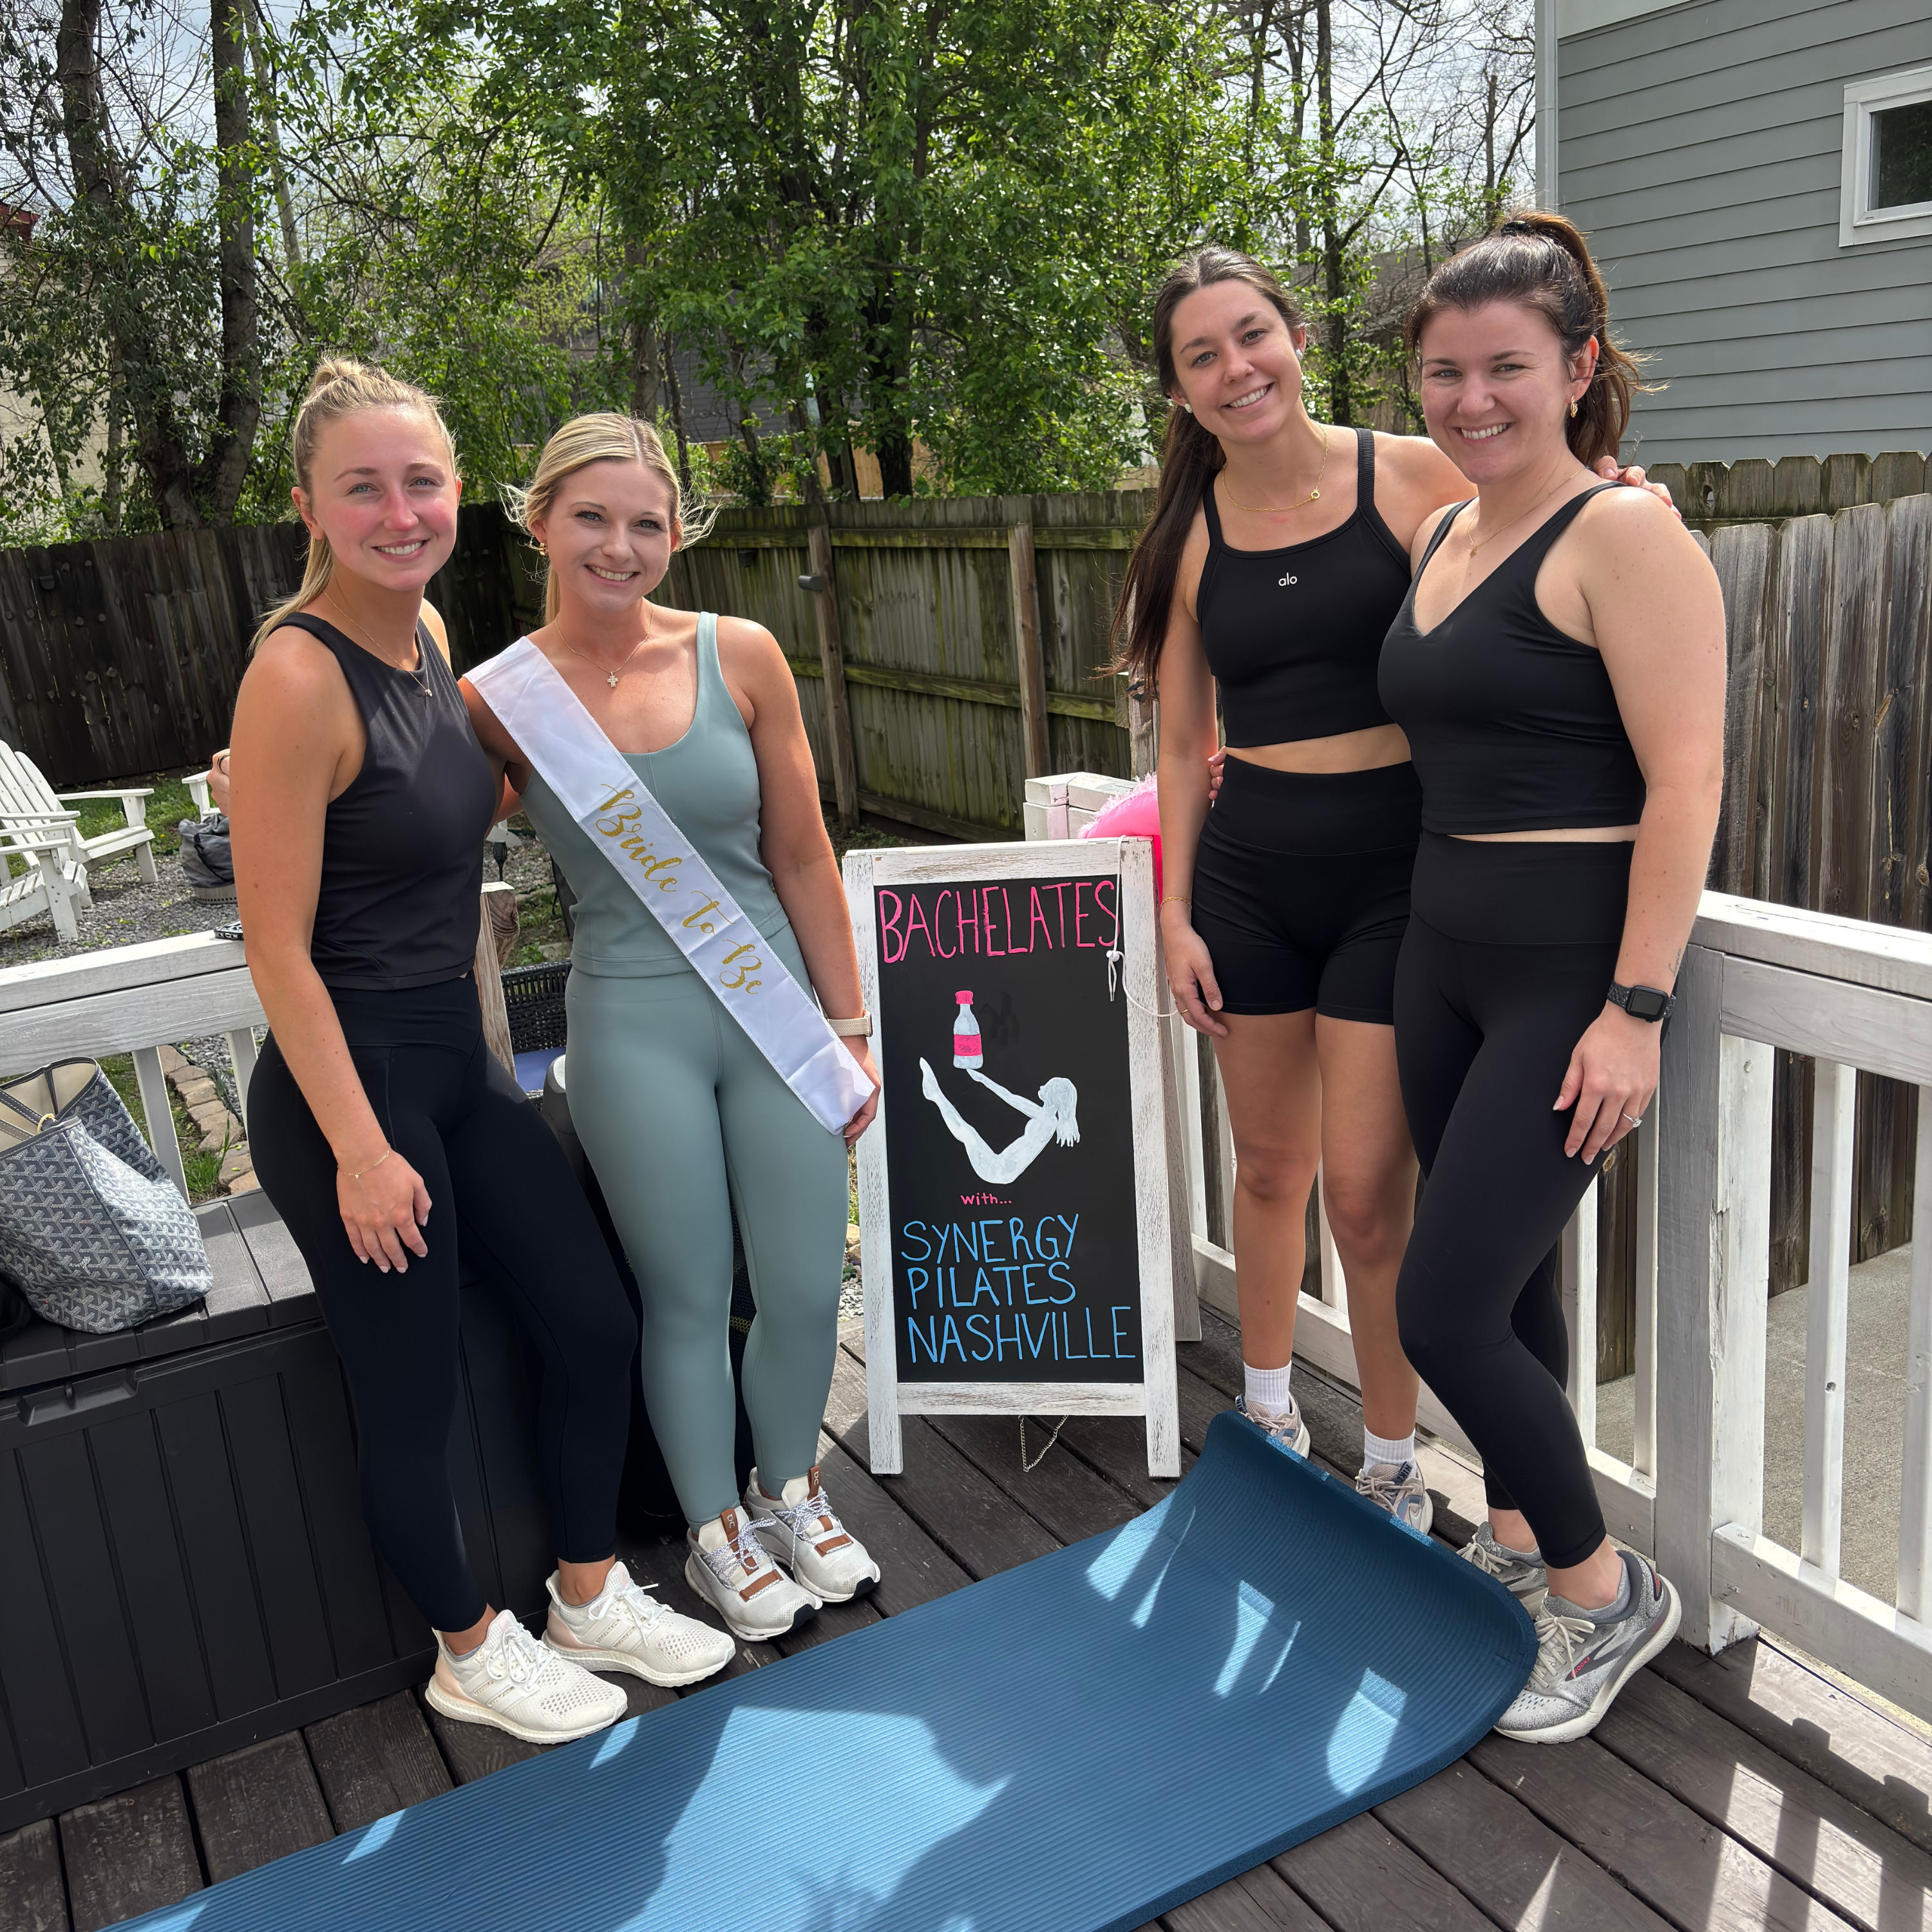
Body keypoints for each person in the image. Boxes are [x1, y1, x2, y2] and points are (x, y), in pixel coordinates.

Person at [1116, 246, 1670, 1531]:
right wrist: (1176, 911)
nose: (1235, 366)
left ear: (1295, 335)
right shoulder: (1188, 540)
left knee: (1369, 1196)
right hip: (1251, 880)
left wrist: (1627, 503)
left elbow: (1535, 530)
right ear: (1181, 392)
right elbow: (1182, 743)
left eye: (1250, 334)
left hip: (1396, 884)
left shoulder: (1411, 473)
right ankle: (1262, 1413)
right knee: (1268, 1170)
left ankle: (1392, 1456)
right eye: (1201, 354)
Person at [231, 361, 734, 1748]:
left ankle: (583, 1592)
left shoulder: (429, 635)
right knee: (414, 1393)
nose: (400, 511)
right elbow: (276, 948)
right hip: (357, 1095)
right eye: (364, 488)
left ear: (460, 496)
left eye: (423, 481)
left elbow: (458, 798)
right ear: (310, 511)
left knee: (592, 1317)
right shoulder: (293, 674)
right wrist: (360, 1149)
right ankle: (466, 1647)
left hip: (461, 1066)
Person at [1380, 213, 1725, 1742]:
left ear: (1579, 368)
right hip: (1439, 949)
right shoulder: (1446, 531)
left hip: (1565, 975)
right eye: (1443, 372)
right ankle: (1524, 1544)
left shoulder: (1628, 535)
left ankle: (1604, 1596)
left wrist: (1636, 1008)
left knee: (1439, 1309)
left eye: (1506, 367)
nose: (1471, 400)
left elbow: (1689, 779)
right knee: (1506, 1291)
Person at [463, 414, 884, 1644]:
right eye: (592, 516)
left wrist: (848, 1025)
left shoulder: (740, 654)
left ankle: (791, 1489)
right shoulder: (500, 700)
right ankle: (714, 1532)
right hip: (630, 1028)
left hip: (773, 1024)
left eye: (648, 521)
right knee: (687, 1294)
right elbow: (416, 815)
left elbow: (802, 854)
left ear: (677, 533)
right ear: (538, 518)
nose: (621, 544)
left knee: (807, 1286)